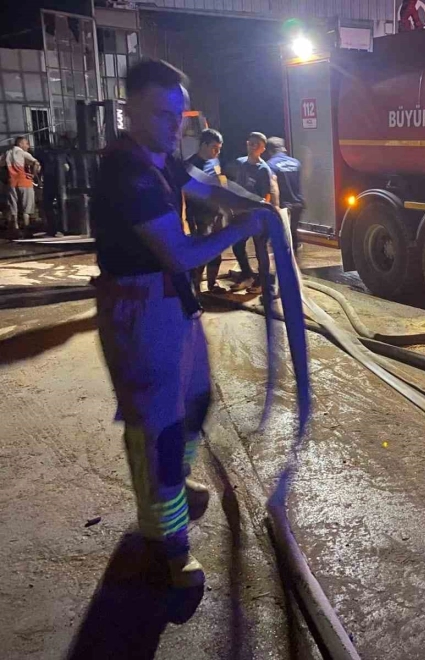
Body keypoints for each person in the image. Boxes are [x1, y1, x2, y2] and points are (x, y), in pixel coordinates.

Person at [92, 59, 279, 592]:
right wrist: (243, 228)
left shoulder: (160, 159)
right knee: (159, 433)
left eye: (179, 115)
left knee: (195, 401)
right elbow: (177, 251)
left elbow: (205, 190)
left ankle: (173, 484)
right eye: (162, 114)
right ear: (129, 108)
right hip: (139, 311)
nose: (175, 125)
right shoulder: (126, 172)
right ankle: (170, 548)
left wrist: (257, 207)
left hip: (173, 303)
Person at [228, 132, 273, 294]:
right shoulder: (240, 164)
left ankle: (263, 282)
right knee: (238, 245)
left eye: (256, 144)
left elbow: (266, 195)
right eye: (250, 143)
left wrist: (261, 214)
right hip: (241, 213)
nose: (252, 146)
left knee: (260, 249)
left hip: (257, 214)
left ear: (262, 148)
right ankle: (247, 276)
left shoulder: (263, 169)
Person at [186, 128, 226, 293]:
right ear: (203, 145)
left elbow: (220, 180)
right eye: (214, 148)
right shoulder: (189, 165)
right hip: (199, 217)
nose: (217, 152)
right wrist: (190, 222)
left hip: (216, 213)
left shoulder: (215, 162)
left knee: (216, 250)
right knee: (200, 253)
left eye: (219, 149)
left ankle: (212, 283)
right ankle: (195, 287)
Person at [265, 136, 304, 252]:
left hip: (283, 207)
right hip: (297, 204)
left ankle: (284, 266)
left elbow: (273, 185)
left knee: (281, 239)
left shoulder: (270, 165)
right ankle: (295, 264)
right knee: (293, 234)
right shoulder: (296, 163)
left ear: (270, 150)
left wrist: (274, 205)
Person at [5, 136, 40, 236]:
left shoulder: (7, 153)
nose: (28, 146)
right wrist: (33, 174)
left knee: (13, 206)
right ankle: (26, 228)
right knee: (26, 207)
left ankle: (15, 227)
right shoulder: (23, 153)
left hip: (12, 182)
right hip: (24, 182)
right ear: (20, 144)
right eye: (26, 143)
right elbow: (36, 163)